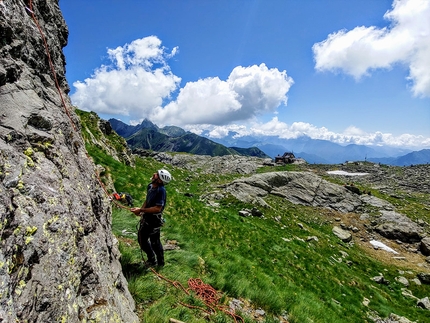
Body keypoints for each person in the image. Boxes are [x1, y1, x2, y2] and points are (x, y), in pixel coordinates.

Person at [131, 169, 172, 268]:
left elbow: (158, 208)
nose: (154, 174)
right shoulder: (150, 186)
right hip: (147, 218)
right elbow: (147, 200)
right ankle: (153, 260)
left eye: (157, 175)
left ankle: (158, 262)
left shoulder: (161, 191)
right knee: (145, 240)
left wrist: (141, 210)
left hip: (153, 221)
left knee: (152, 242)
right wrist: (141, 210)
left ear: (160, 180)